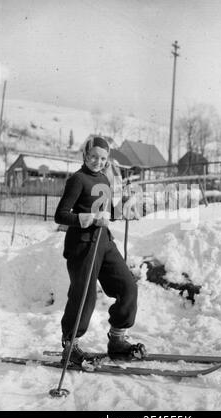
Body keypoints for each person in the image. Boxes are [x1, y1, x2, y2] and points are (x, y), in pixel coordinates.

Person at [54, 135, 145, 365]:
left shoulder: (104, 178)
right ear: (85, 155)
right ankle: (71, 345)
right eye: (93, 156)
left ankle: (117, 341)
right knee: (85, 295)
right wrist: (90, 218)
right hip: (83, 245)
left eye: (102, 158)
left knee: (128, 287)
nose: (97, 161)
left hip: (104, 242)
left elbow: (104, 211)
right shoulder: (78, 179)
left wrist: (122, 207)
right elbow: (61, 215)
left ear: (107, 160)